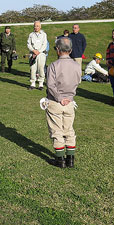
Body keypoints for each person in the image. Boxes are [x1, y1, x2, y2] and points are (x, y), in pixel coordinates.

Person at [45, 36, 81, 169]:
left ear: (58, 50)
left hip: (55, 102)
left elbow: (50, 85)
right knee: (69, 130)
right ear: (70, 50)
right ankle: (70, 159)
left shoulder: (54, 65)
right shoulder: (77, 66)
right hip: (70, 102)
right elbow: (77, 82)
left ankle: (60, 160)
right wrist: (68, 97)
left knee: (57, 131)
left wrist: (60, 98)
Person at [27, 21, 48, 90]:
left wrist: (38, 51)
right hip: (33, 53)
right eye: (35, 26)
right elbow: (28, 44)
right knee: (33, 68)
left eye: (37, 26)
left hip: (41, 53)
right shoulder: (31, 35)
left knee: (41, 68)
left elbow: (44, 44)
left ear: (40, 27)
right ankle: (33, 83)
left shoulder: (44, 34)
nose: (36, 27)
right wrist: (33, 51)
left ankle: (41, 83)